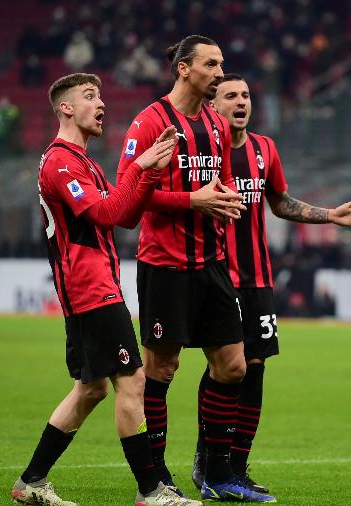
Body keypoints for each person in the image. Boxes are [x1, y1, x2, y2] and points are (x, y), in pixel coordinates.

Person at [10, 73, 201, 506]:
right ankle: (151, 490)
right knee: (132, 381)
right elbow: (104, 213)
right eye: (90, 97)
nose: (101, 104)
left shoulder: (86, 162)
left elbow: (127, 214)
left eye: (101, 96)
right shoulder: (61, 162)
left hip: (94, 285)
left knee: (92, 388)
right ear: (66, 108)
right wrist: (139, 166)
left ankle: (31, 482)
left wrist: (149, 173)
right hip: (88, 286)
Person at [190, 73, 351, 497]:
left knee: (254, 370)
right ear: (212, 104)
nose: (241, 102)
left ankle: (235, 468)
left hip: (258, 279)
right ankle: (210, 461)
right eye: (230, 95)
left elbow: (280, 203)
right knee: (226, 367)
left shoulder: (264, 149)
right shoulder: (202, 153)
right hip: (217, 276)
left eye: (246, 95)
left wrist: (330, 215)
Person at [116, 35, 273, 502]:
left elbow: (220, 182)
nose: (220, 72)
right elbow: (128, 195)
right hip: (164, 265)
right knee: (161, 369)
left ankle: (217, 474)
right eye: (211, 64)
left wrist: (223, 198)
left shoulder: (216, 125)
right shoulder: (149, 122)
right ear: (184, 69)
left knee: (233, 366)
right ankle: (158, 475)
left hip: (212, 264)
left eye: (222, 63)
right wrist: (193, 199)